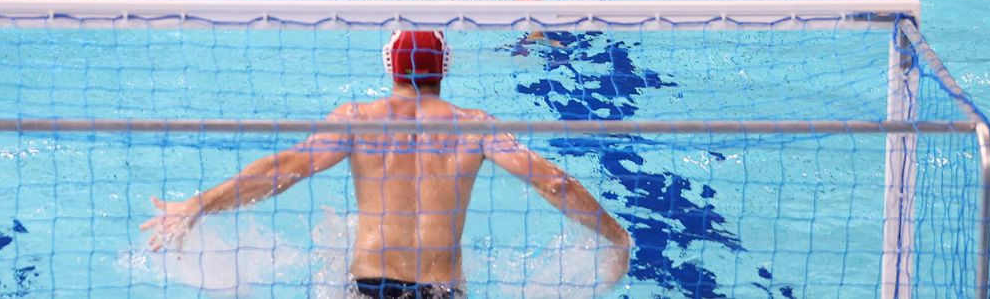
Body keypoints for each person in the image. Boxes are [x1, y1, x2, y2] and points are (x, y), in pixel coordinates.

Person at [142, 30, 630, 296]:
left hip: (367, 288)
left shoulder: (358, 120)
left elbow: (280, 171)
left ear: (389, 67)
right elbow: (554, 182)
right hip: (439, 292)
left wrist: (197, 205)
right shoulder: (474, 126)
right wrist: (614, 237)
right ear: (445, 69)